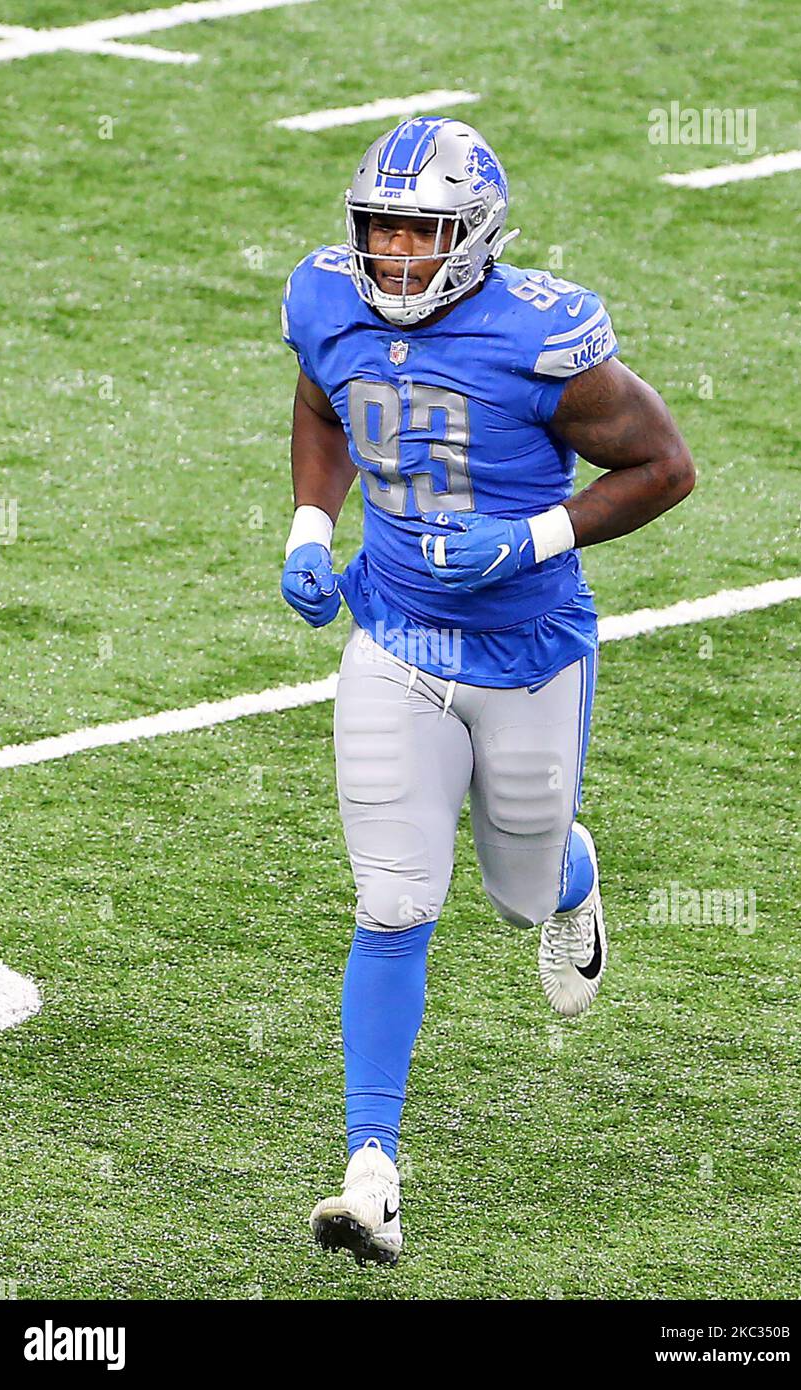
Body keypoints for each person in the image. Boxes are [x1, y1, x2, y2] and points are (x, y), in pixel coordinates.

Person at [280, 116, 695, 1266]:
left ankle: (570, 871)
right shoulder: (326, 300)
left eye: (417, 234)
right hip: (395, 636)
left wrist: (530, 538)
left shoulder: (539, 334)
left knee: (515, 889)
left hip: (526, 651)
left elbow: (663, 464)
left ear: (469, 238)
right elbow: (324, 398)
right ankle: (371, 1169)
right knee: (394, 900)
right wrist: (314, 525)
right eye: (377, 231)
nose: (392, 258)